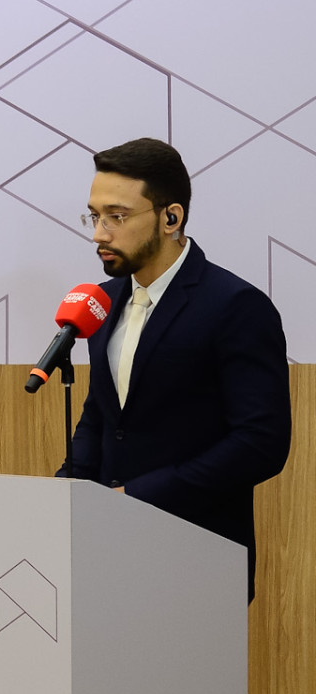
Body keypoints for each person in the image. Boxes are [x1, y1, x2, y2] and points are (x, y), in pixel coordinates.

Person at [64, 138, 291, 600]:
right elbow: (103, 413)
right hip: (104, 555)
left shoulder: (235, 306)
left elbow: (260, 443)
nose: (99, 233)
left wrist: (139, 500)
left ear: (171, 217)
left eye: (117, 216)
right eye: (94, 215)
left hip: (197, 560)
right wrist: (67, 495)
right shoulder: (104, 301)